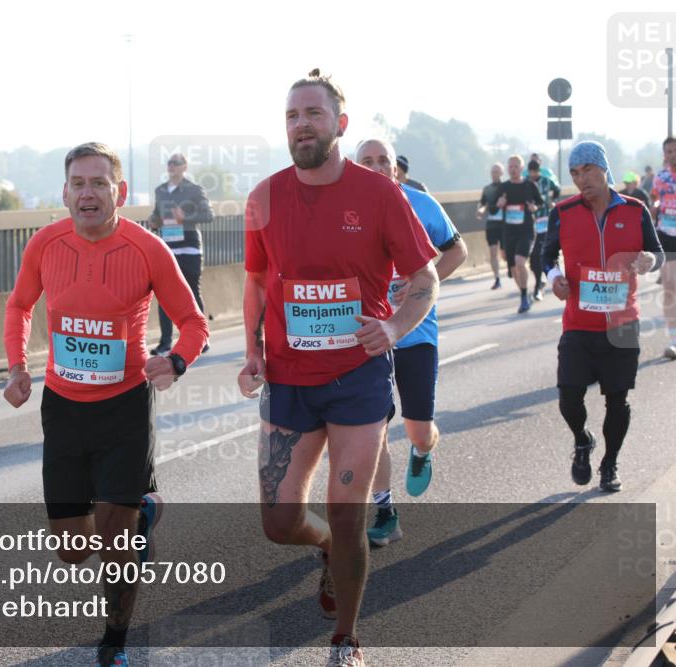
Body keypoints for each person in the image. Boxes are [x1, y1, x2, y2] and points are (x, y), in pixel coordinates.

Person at [238, 69, 439, 667]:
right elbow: (254, 280)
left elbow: (424, 277)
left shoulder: (380, 195)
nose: (301, 125)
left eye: (313, 114)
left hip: (358, 380)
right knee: (278, 521)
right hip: (287, 382)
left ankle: (346, 638)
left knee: (350, 515)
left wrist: (395, 327)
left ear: (340, 125)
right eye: (292, 116)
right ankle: (322, 545)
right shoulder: (264, 197)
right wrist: (252, 351)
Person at [3, 142, 209, 667]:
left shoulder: (146, 249)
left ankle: (115, 639)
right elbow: (20, 304)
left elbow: (194, 323)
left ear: (118, 192)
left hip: (124, 408)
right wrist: (18, 368)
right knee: (73, 550)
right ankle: (144, 512)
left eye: (99, 183)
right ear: (65, 192)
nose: (88, 193)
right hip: (65, 410)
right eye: (78, 183)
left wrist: (177, 361)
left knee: (114, 546)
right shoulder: (45, 244)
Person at [356, 138, 467, 547]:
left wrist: (425, 283)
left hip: (415, 333)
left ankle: (422, 452)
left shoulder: (420, 204)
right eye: (366, 161)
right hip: (367, 339)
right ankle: (385, 513)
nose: (376, 166)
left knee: (418, 432)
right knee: (374, 431)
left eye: (383, 160)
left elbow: (458, 251)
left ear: (395, 168)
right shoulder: (343, 208)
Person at [542, 140, 664, 492]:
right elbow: (546, 256)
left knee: (617, 398)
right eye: (575, 173)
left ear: (604, 169)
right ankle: (582, 440)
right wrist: (554, 278)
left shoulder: (635, 209)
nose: (582, 179)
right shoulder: (562, 212)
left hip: (622, 324)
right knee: (568, 397)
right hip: (578, 322)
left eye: (588, 171)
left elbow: (656, 251)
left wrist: (649, 261)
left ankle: (609, 464)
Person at [149, 152, 214, 356]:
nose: (172, 166)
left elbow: (208, 215)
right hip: (167, 247)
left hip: (190, 248)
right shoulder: (160, 191)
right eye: (169, 162)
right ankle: (165, 342)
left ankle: (201, 339)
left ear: (184, 167)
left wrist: (186, 216)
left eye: (176, 163)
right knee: (164, 295)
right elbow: (157, 213)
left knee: (192, 293)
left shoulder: (194, 190)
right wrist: (154, 220)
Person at [497, 155, 544, 313]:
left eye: (516, 166)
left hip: (526, 230)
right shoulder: (503, 187)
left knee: (519, 262)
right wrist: (500, 204)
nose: (513, 169)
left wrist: (534, 208)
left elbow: (539, 202)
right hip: (509, 232)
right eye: (510, 166)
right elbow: (494, 207)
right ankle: (524, 293)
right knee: (513, 268)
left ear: (522, 168)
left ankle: (524, 298)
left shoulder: (530, 185)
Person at [650, 137, 676, 360]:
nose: (672, 154)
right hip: (667, 234)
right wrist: (653, 207)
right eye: (668, 151)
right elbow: (655, 199)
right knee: (669, 285)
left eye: (675, 151)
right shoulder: (661, 177)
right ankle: (674, 339)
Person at [528, 159, 561, 301]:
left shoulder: (547, 181)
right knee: (533, 258)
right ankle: (542, 278)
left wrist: (552, 198)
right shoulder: (527, 184)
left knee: (543, 251)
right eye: (531, 172)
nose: (533, 174)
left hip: (547, 219)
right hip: (532, 222)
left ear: (538, 171)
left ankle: (541, 283)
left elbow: (557, 189)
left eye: (535, 172)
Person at [477, 162, 506, 289]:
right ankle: (497, 279)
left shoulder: (507, 187)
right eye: (492, 172)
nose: (494, 174)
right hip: (492, 225)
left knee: (505, 253)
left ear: (502, 173)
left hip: (505, 223)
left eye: (496, 172)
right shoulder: (487, 189)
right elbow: (483, 204)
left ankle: (510, 267)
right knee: (493, 252)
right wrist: (481, 210)